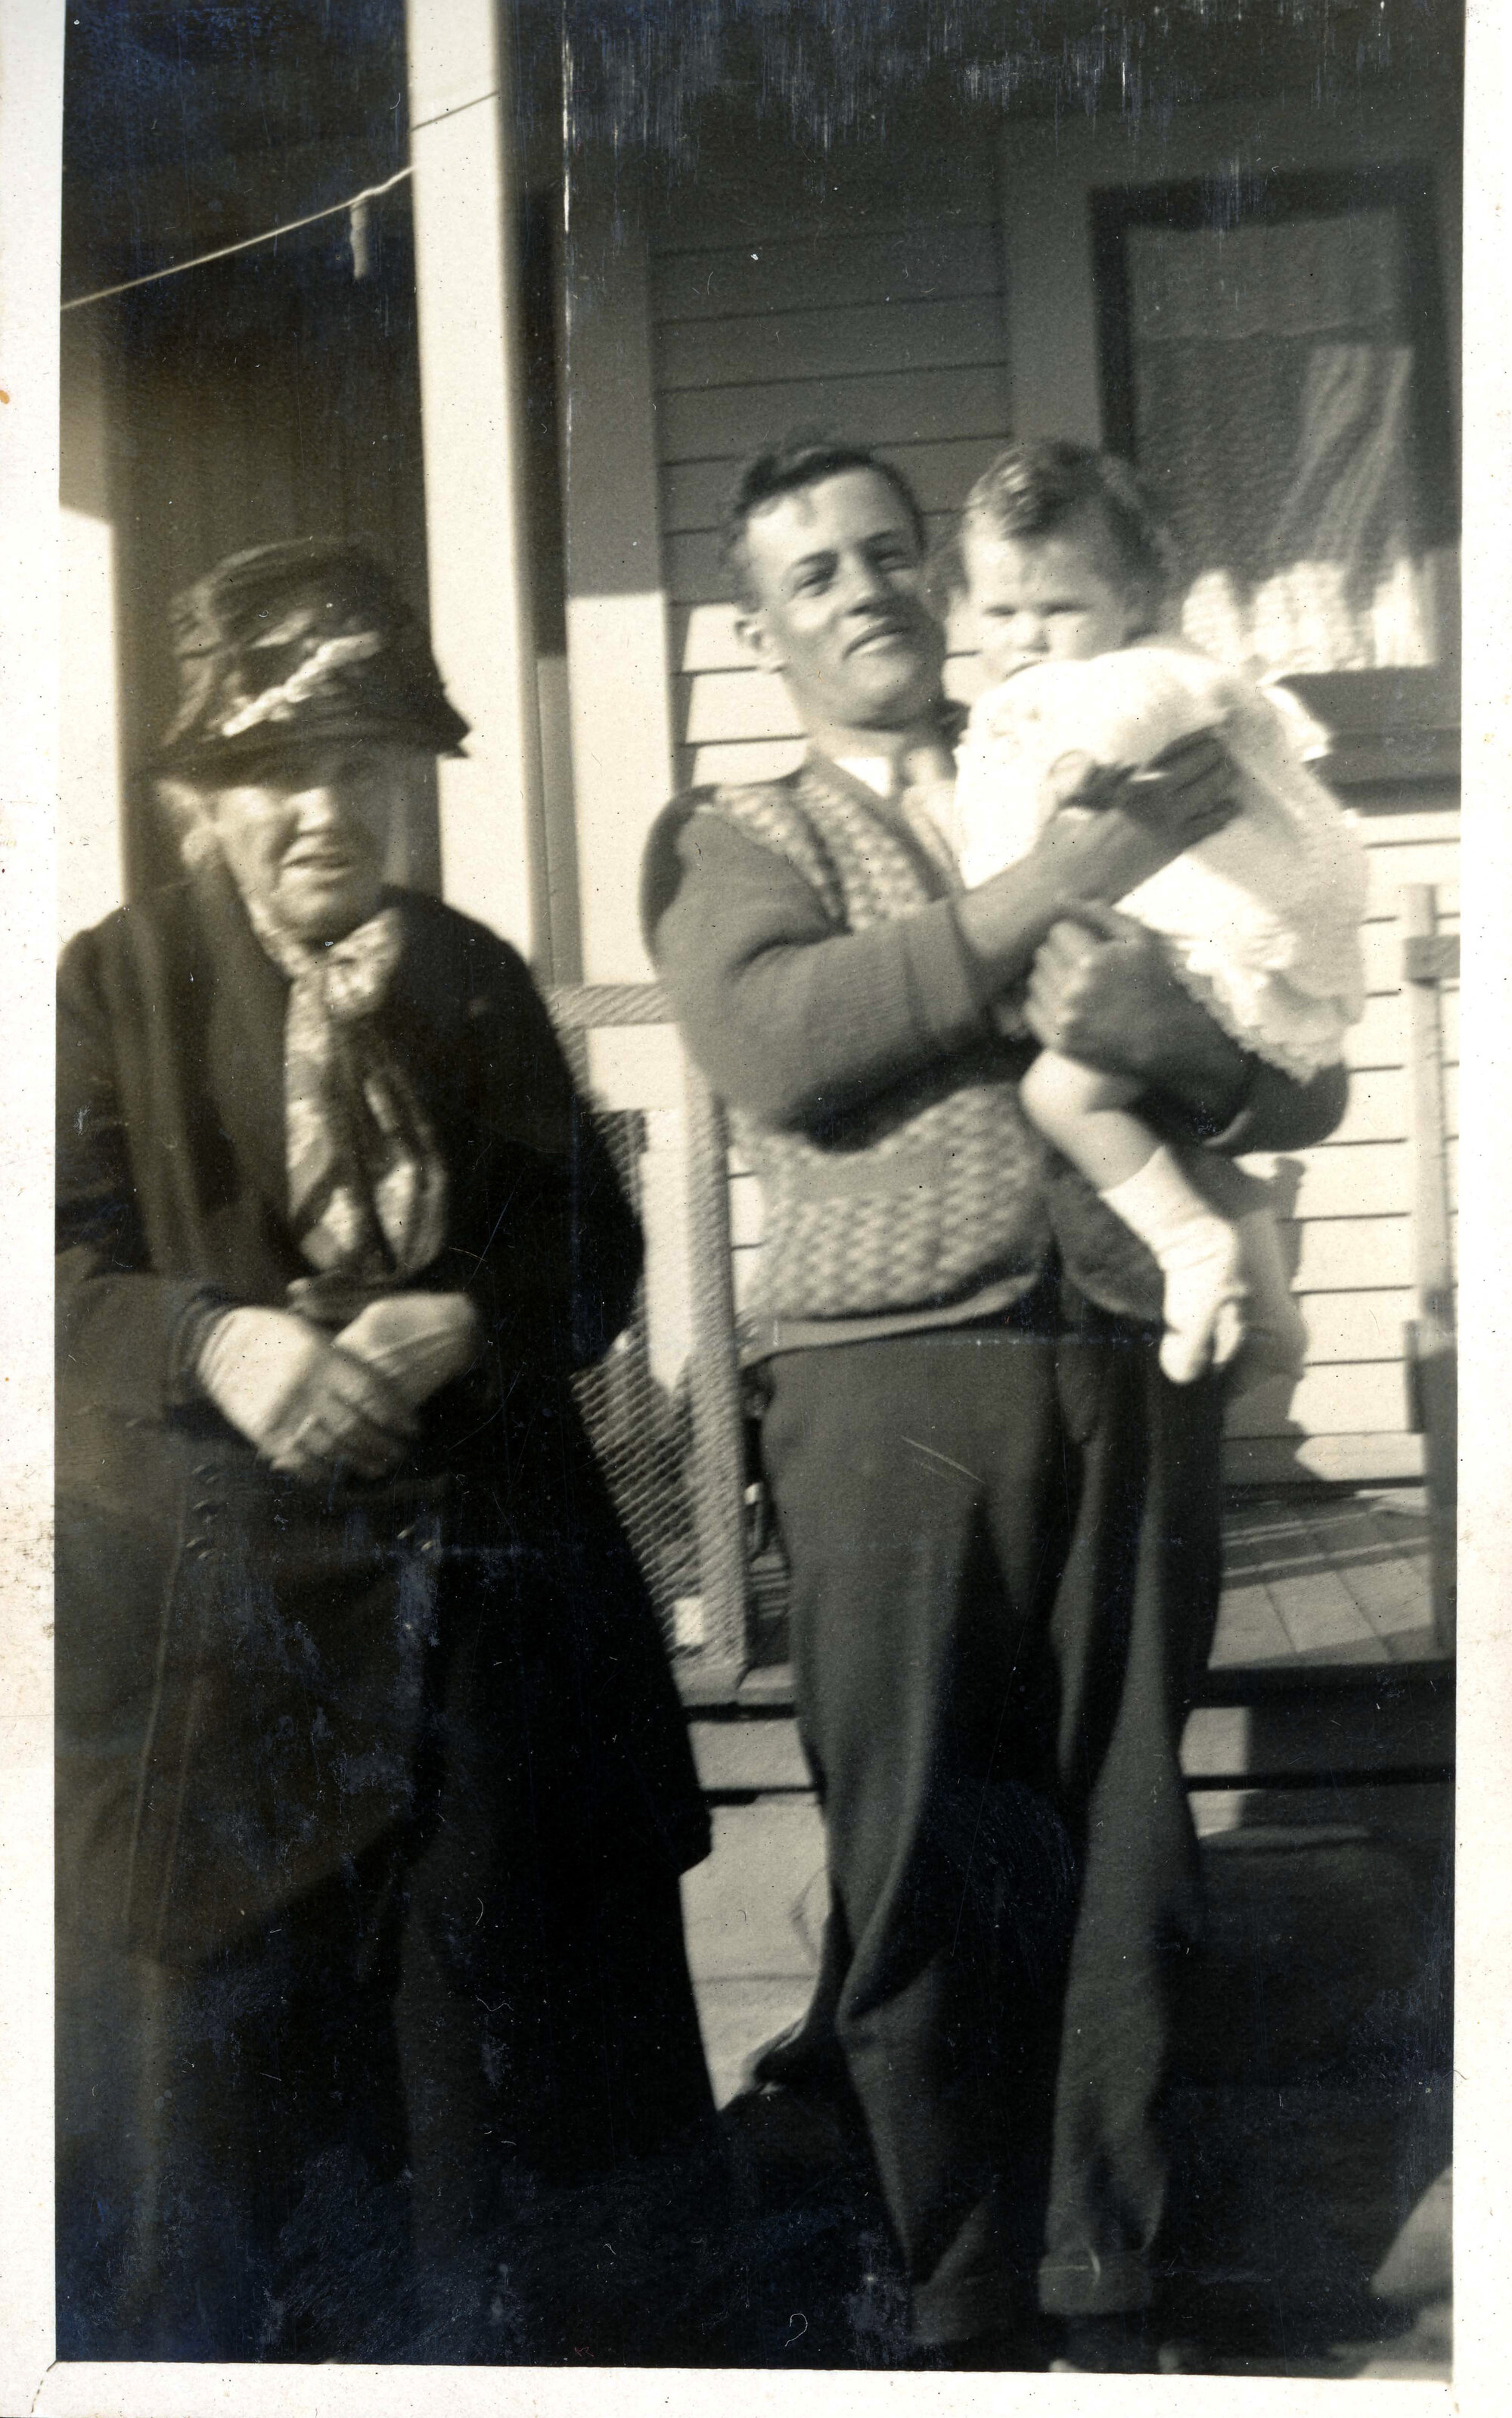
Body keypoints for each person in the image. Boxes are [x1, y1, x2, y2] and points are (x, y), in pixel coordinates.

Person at [641, 437, 1349, 2371]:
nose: (863, 591)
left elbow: (1298, 1069)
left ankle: (1104, 2284)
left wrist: (1172, 1041)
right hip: (892, 1391)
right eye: (814, 574)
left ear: (941, 588)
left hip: (1124, 1356)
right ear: (760, 625)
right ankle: (951, 2300)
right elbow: (785, 1041)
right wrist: (1056, 890)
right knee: (918, 1851)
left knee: (1128, 1838)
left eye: (890, 554)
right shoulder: (739, 830)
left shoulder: (1084, 740)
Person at [55, 542, 716, 2364]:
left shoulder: (475, 980)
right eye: (280, 769)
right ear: (204, 796)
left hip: (488, 1662)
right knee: (239, 2152)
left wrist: (481, 1317)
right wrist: (223, 1338)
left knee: (492, 2144)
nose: (326, 807)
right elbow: (56, 1266)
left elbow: (595, 1244)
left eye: (362, 762)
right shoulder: (110, 987)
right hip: (230, 1672)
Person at [948, 441, 1368, 1385]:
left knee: (1062, 1095)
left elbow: (1149, 701)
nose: (1026, 636)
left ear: (1132, 602)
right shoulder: (1010, 701)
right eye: (999, 611)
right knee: (1163, 1127)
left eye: (1058, 608)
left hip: (1196, 943)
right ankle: (1265, 1309)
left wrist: (1081, 754)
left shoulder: (1130, 673)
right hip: (1139, 955)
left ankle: (1190, 1252)